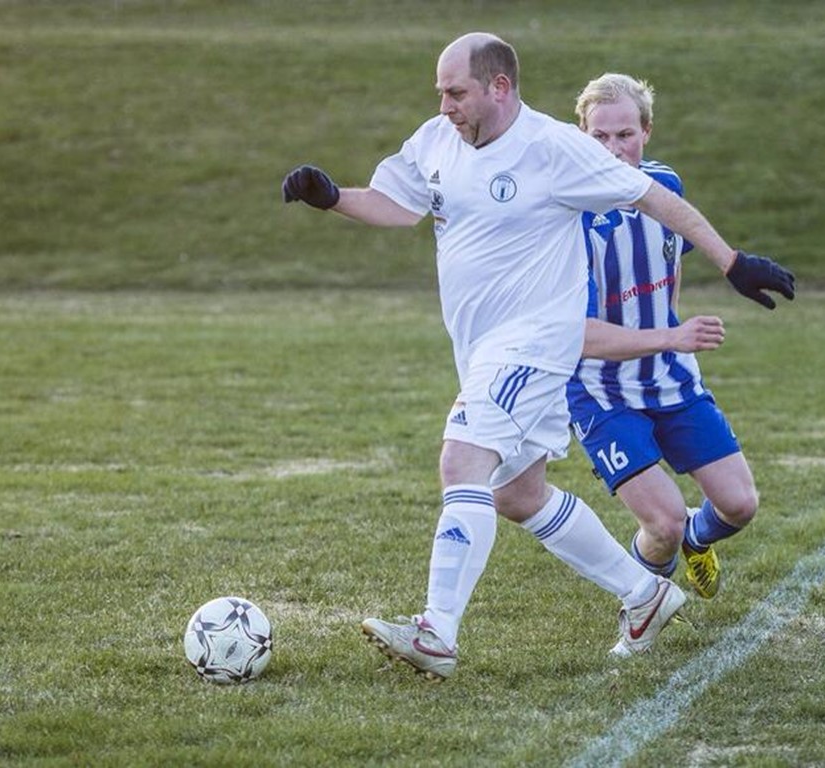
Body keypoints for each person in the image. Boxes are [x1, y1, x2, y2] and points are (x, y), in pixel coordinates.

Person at [281, 33, 794, 681]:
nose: (445, 105)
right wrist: (333, 197)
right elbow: (397, 205)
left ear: (499, 87)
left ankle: (436, 630)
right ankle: (645, 594)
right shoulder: (439, 139)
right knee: (516, 494)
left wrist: (732, 262)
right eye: (441, 92)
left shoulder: (554, 147)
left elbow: (652, 197)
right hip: (485, 350)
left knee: (460, 460)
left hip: (536, 344)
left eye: (457, 92)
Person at [568, 73, 775, 602]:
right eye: (600, 137)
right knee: (663, 525)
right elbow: (582, 337)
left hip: (670, 377)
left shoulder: (668, 187)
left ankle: (699, 541)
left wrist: (670, 329)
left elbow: (671, 263)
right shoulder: (567, 221)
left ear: (647, 131)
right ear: (581, 134)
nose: (614, 149)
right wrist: (671, 335)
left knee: (739, 505)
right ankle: (639, 615)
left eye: (625, 135)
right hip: (600, 390)